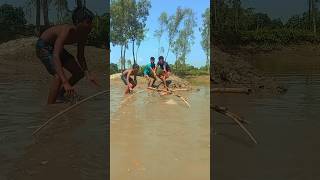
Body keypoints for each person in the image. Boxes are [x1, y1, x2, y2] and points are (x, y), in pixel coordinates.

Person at [35, 6, 99, 104]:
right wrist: (65, 82)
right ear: (78, 22)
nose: (91, 26)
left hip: (55, 48)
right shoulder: (67, 30)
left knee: (79, 73)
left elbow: (80, 56)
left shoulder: (83, 35)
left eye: (91, 23)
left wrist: (88, 74)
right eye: (88, 22)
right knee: (58, 77)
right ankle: (50, 109)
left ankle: (60, 95)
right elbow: (56, 55)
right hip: (43, 46)